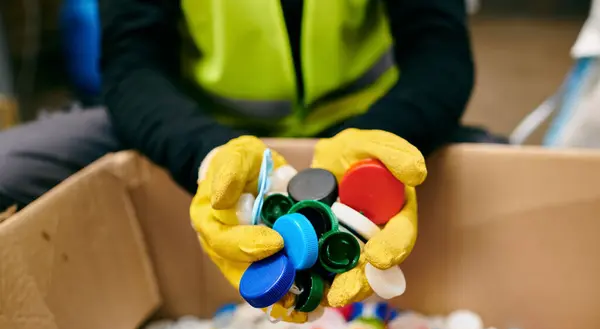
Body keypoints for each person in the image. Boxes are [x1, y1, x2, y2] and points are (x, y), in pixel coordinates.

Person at [0, 0, 503, 212]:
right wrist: (210, 156)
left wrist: (377, 143)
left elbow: (441, 51)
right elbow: (131, 68)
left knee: (518, 175)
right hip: (195, 129)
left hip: (370, 130)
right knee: (10, 169)